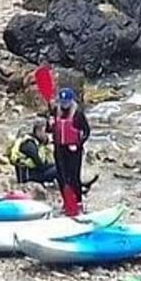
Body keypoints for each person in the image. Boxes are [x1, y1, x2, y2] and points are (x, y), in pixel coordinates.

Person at [51, 88, 90, 216]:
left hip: (73, 150)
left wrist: (78, 144)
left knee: (74, 177)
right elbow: (50, 130)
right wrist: (49, 124)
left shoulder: (78, 113)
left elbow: (87, 131)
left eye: (66, 102)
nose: (64, 105)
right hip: (59, 149)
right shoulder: (55, 110)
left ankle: (78, 202)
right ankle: (66, 202)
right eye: (62, 102)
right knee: (61, 177)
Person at [9, 119, 55, 184]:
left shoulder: (36, 142)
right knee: (57, 169)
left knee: (57, 166)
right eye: (44, 131)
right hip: (28, 176)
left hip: (33, 172)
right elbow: (39, 163)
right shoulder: (29, 144)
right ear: (38, 131)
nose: (46, 134)